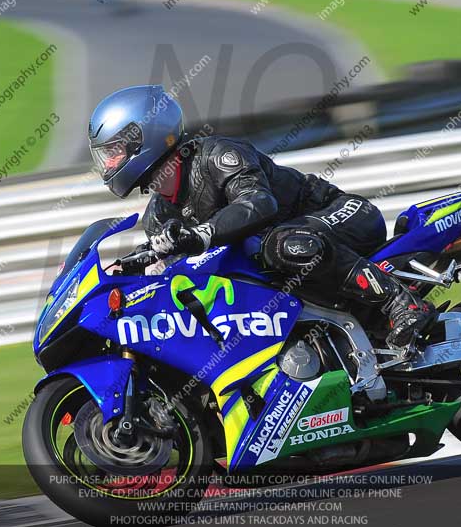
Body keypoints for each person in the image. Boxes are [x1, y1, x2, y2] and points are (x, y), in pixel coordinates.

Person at [88, 85, 435, 349]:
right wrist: (125, 268)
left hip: (339, 214)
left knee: (281, 244)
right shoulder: (158, 215)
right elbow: (164, 261)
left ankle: (400, 302)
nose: (108, 164)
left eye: (114, 152)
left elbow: (258, 203)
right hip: (289, 257)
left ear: (143, 137)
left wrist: (201, 235)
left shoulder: (217, 155)